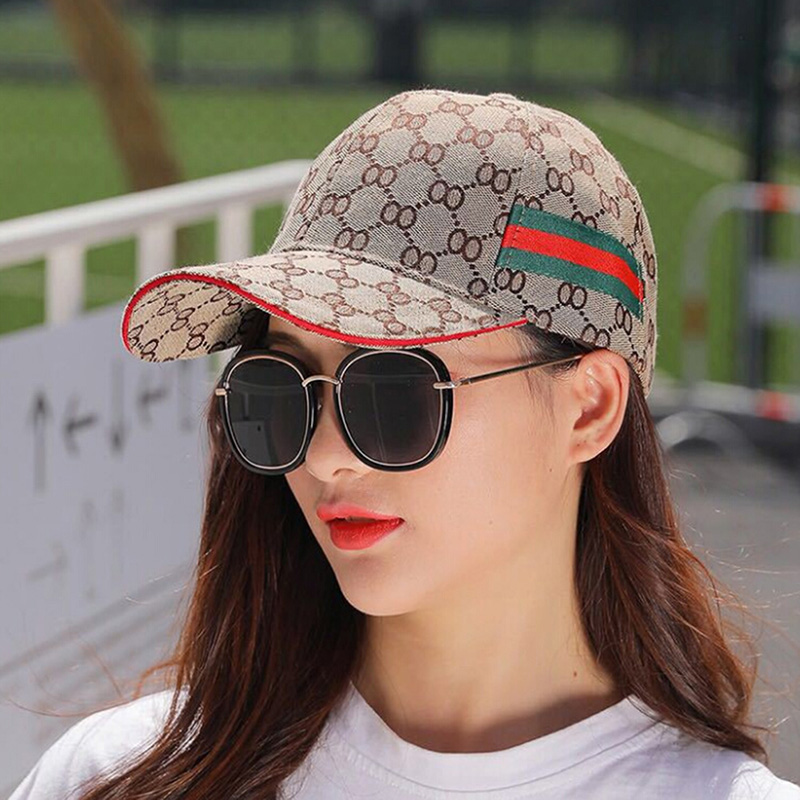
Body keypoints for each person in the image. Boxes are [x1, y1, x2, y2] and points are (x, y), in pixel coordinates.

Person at [10, 88, 800, 800]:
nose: (323, 456)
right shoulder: (116, 777)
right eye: (277, 390)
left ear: (589, 408)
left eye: (394, 391)